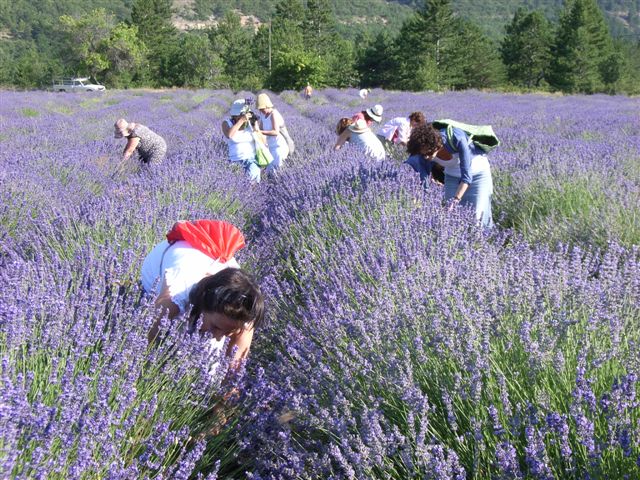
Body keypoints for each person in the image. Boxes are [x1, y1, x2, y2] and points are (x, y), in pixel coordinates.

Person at [141, 219, 265, 366]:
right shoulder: (177, 290)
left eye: (227, 332)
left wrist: (229, 386)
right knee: (171, 333)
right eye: (216, 327)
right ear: (202, 302)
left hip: (208, 282)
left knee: (210, 367)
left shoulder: (245, 309)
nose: (218, 337)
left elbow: (235, 366)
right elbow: (144, 341)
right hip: (156, 276)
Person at [407, 123, 494, 227]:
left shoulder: (457, 138)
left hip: (478, 175)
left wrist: (455, 200)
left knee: (478, 219)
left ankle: (483, 240)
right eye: (423, 154)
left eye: (429, 153)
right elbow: (422, 175)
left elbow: (466, 177)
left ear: (435, 145)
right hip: (451, 176)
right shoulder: (423, 149)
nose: (426, 157)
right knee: (451, 219)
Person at [221, 99, 264, 183]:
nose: (246, 117)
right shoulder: (226, 123)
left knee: (253, 183)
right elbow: (229, 135)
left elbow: (262, 140)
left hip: (251, 160)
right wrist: (241, 121)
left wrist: (255, 126)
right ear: (235, 115)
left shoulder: (251, 123)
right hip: (235, 160)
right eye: (243, 115)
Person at [256, 93, 289, 172]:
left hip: (279, 147)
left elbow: (275, 132)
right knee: (269, 172)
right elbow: (260, 128)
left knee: (278, 171)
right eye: (259, 109)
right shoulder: (263, 114)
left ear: (267, 106)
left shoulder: (274, 114)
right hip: (270, 147)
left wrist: (260, 132)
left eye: (262, 108)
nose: (260, 111)